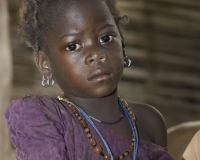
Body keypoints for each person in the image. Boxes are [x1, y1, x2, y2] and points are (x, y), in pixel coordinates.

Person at [4, 0, 174, 159]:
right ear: (45, 63)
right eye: (73, 46)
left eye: (106, 38)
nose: (95, 54)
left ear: (122, 45)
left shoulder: (149, 121)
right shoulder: (40, 116)